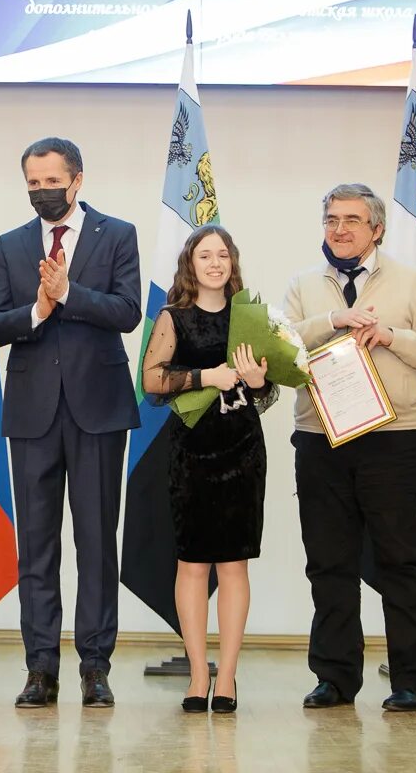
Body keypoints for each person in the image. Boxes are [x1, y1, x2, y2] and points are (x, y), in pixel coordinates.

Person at [0, 137, 141, 708]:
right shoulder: (11, 244)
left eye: (51, 181)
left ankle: (95, 666)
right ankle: (39, 668)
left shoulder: (117, 234)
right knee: (37, 548)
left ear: (76, 181)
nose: (41, 191)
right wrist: (36, 312)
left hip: (98, 410)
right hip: (31, 414)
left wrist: (69, 294)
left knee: (97, 542)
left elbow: (127, 311)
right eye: (32, 182)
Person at [283, 183, 416, 712]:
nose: (340, 229)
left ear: (376, 229)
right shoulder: (305, 285)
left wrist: (392, 337)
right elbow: (282, 347)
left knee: (402, 560)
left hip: (396, 440)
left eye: (352, 220)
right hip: (322, 439)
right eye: (332, 219)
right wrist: (332, 321)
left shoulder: (413, 282)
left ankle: (411, 679)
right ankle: (334, 678)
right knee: (328, 562)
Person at [141, 226, 277, 713]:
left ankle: (229, 678)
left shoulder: (250, 317)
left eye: (223, 254)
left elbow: (264, 389)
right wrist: (205, 376)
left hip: (241, 449)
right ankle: (198, 675)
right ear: (190, 263)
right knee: (192, 564)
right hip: (190, 453)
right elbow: (152, 379)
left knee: (234, 563)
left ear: (233, 262)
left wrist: (260, 382)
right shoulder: (173, 317)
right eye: (205, 254)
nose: (215, 262)